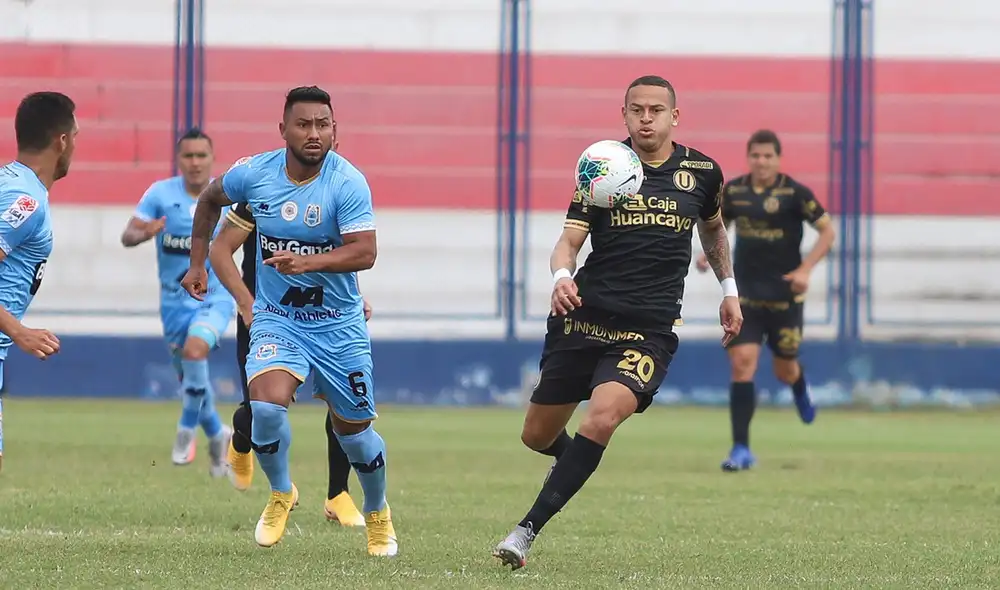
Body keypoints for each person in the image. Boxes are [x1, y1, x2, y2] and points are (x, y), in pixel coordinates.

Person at [492, 75, 742, 570]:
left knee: (602, 417)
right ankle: (578, 461)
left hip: (648, 329)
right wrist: (562, 275)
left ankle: (526, 530)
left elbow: (713, 233)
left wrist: (729, 291)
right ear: (624, 115)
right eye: (636, 110)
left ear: (675, 116)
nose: (646, 119)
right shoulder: (603, 166)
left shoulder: (703, 172)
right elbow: (568, 241)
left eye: (655, 110)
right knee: (537, 436)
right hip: (583, 317)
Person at [182, 86, 396, 554]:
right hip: (280, 320)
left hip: (339, 324)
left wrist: (309, 263)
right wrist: (200, 265)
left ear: (335, 131)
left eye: (323, 125)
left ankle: (378, 510)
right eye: (304, 124)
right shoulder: (255, 175)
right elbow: (209, 200)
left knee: (355, 435)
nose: (314, 133)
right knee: (264, 405)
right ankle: (282, 493)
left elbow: (367, 252)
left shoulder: (348, 183)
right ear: (284, 130)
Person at [209, 197, 365, 527]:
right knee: (260, 410)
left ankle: (338, 494)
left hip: (327, 315)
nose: (317, 144)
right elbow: (222, 249)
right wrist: (245, 303)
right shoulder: (262, 188)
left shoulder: (341, 190)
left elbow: (346, 251)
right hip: (270, 315)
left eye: (328, 141)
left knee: (343, 405)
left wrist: (354, 295)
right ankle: (241, 439)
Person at [696, 129, 835, 472]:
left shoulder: (794, 193)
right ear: (749, 158)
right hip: (745, 297)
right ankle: (740, 448)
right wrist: (706, 254)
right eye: (755, 156)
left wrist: (804, 270)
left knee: (784, 369)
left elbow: (828, 231)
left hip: (785, 298)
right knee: (743, 364)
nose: (761, 162)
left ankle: (799, 386)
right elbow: (718, 224)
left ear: (778, 158)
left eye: (767, 156)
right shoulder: (735, 192)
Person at [120, 128, 234, 476]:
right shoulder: (160, 194)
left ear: (212, 159)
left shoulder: (226, 195)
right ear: (179, 159)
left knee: (195, 352)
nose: (195, 162)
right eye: (189, 155)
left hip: (214, 297)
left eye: (202, 155)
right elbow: (128, 235)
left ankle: (186, 429)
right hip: (173, 304)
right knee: (191, 378)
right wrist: (145, 232)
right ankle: (217, 433)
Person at [0, 92, 78, 473]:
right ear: (61, 140)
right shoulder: (24, 201)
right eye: (75, 137)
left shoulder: (10, 184)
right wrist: (19, 332)